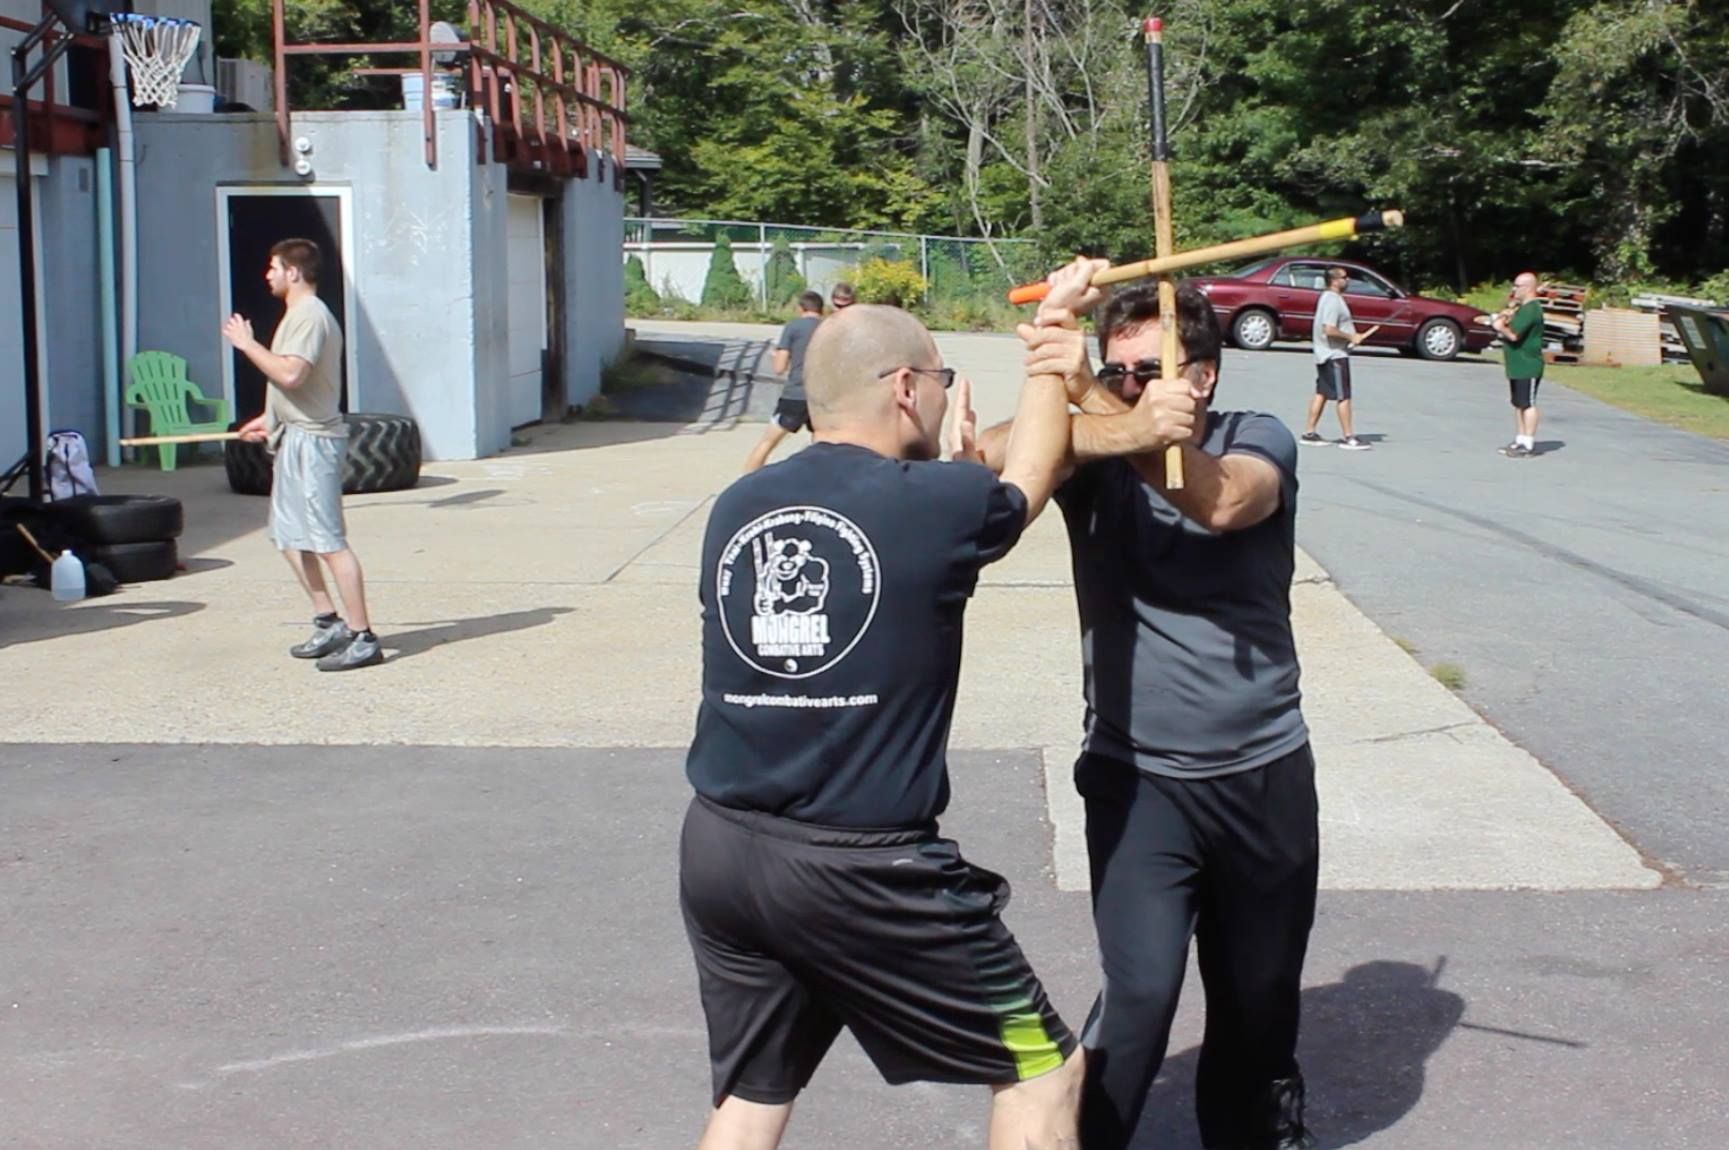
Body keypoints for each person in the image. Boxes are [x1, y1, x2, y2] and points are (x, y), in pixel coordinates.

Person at [679, 301, 1085, 1150]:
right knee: (1042, 1067)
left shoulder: (738, 504)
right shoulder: (937, 501)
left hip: (722, 850)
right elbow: (1036, 473)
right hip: (858, 869)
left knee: (754, 1094)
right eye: (938, 381)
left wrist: (945, 468)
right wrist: (1052, 345)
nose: (941, 398)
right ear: (906, 388)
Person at [976, 261, 1320, 1150]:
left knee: (1257, 998)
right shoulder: (1098, 455)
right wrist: (1072, 370)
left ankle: (1254, 1130)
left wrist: (1093, 395)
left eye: (1147, 372)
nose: (1129, 386)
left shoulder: (1259, 435)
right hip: (1138, 780)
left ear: (1202, 376)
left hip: (1261, 775)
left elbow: (1223, 500)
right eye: (1114, 368)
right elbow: (986, 467)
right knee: (1139, 992)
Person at [223, 238, 382, 672]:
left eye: (273, 267)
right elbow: (292, 387)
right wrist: (269, 419)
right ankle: (329, 621)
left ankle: (363, 636)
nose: (267, 274)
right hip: (293, 437)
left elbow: (292, 374)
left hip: (315, 444)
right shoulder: (296, 316)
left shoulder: (311, 316)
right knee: (290, 538)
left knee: (328, 542)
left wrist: (247, 345)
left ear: (294, 272)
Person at [743, 291, 825, 473]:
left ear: (801, 308)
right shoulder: (830, 327)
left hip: (795, 395)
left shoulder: (793, 327)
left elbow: (779, 367)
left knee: (767, 443)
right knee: (825, 447)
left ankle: (747, 483)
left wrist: (776, 356)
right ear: (822, 309)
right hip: (822, 397)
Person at [1301, 266, 1370, 450]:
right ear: (1334, 280)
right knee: (1344, 396)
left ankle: (1309, 433)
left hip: (1324, 354)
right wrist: (1351, 337)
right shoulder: (1332, 300)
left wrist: (1352, 338)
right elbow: (1328, 329)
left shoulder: (1328, 298)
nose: (1348, 280)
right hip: (1334, 356)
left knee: (1322, 393)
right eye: (1345, 277)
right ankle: (1349, 438)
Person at [1492, 272, 1545, 458]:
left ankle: (1528, 443)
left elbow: (1514, 334)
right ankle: (1520, 439)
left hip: (1528, 364)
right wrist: (1505, 315)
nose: (1514, 290)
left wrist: (1500, 327)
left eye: (1517, 286)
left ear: (1528, 288)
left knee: (1528, 403)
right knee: (1518, 403)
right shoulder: (1522, 309)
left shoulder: (1532, 309)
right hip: (1516, 364)